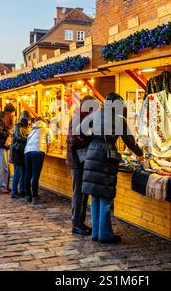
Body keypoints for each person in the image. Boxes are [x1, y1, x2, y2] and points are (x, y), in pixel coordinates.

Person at [80, 93, 144, 244]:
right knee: (105, 196)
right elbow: (130, 141)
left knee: (95, 195)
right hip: (105, 156)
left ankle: (96, 233)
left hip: (92, 153)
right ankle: (105, 235)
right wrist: (140, 155)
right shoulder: (118, 120)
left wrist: (93, 141)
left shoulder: (94, 116)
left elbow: (81, 131)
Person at [66, 95, 98, 236]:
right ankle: (76, 223)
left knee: (83, 192)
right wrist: (91, 138)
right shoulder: (79, 117)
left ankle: (80, 222)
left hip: (81, 159)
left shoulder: (83, 117)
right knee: (79, 192)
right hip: (76, 160)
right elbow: (75, 139)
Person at [24, 117, 54, 204]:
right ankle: (35, 196)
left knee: (28, 174)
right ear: (44, 122)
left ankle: (28, 195)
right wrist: (48, 149)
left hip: (27, 152)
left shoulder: (32, 130)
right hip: (38, 152)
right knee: (35, 175)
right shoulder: (47, 129)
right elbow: (51, 141)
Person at [0, 104, 16, 194]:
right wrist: (8, 133)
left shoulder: (5, 120)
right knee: (3, 167)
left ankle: (5, 186)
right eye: (11, 113)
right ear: (8, 112)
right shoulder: (0, 120)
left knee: (6, 167)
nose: (12, 115)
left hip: (5, 146)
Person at [10, 111, 31, 199]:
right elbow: (19, 137)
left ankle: (21, 190)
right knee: (18, 173)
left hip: (23, 152)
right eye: (26, 119)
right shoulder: (17, 126)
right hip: (17, 152)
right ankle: (14, 192)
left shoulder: (27, 127)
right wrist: (29, 138)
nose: (27, 121)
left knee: (23, 173)